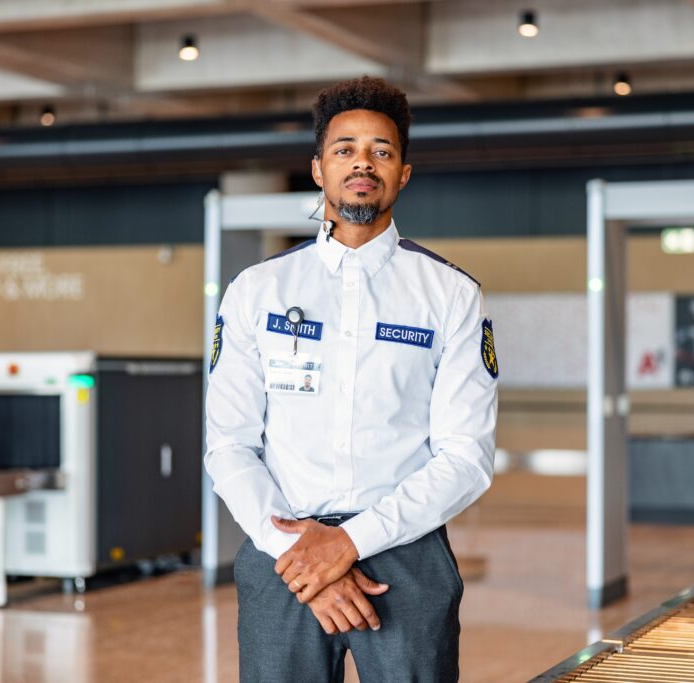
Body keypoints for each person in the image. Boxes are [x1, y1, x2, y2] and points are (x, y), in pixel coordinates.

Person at [204, 76, 499, 683]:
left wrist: (350, 543)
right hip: (278, 553)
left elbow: (466, 457)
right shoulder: (257, 291)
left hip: (406, 557)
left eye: (381, 150)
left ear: (404, 173)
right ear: (318, 169)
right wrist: (299, 554)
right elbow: (229, 444)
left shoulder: (450, 296)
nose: (362, 161)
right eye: (344, 149)